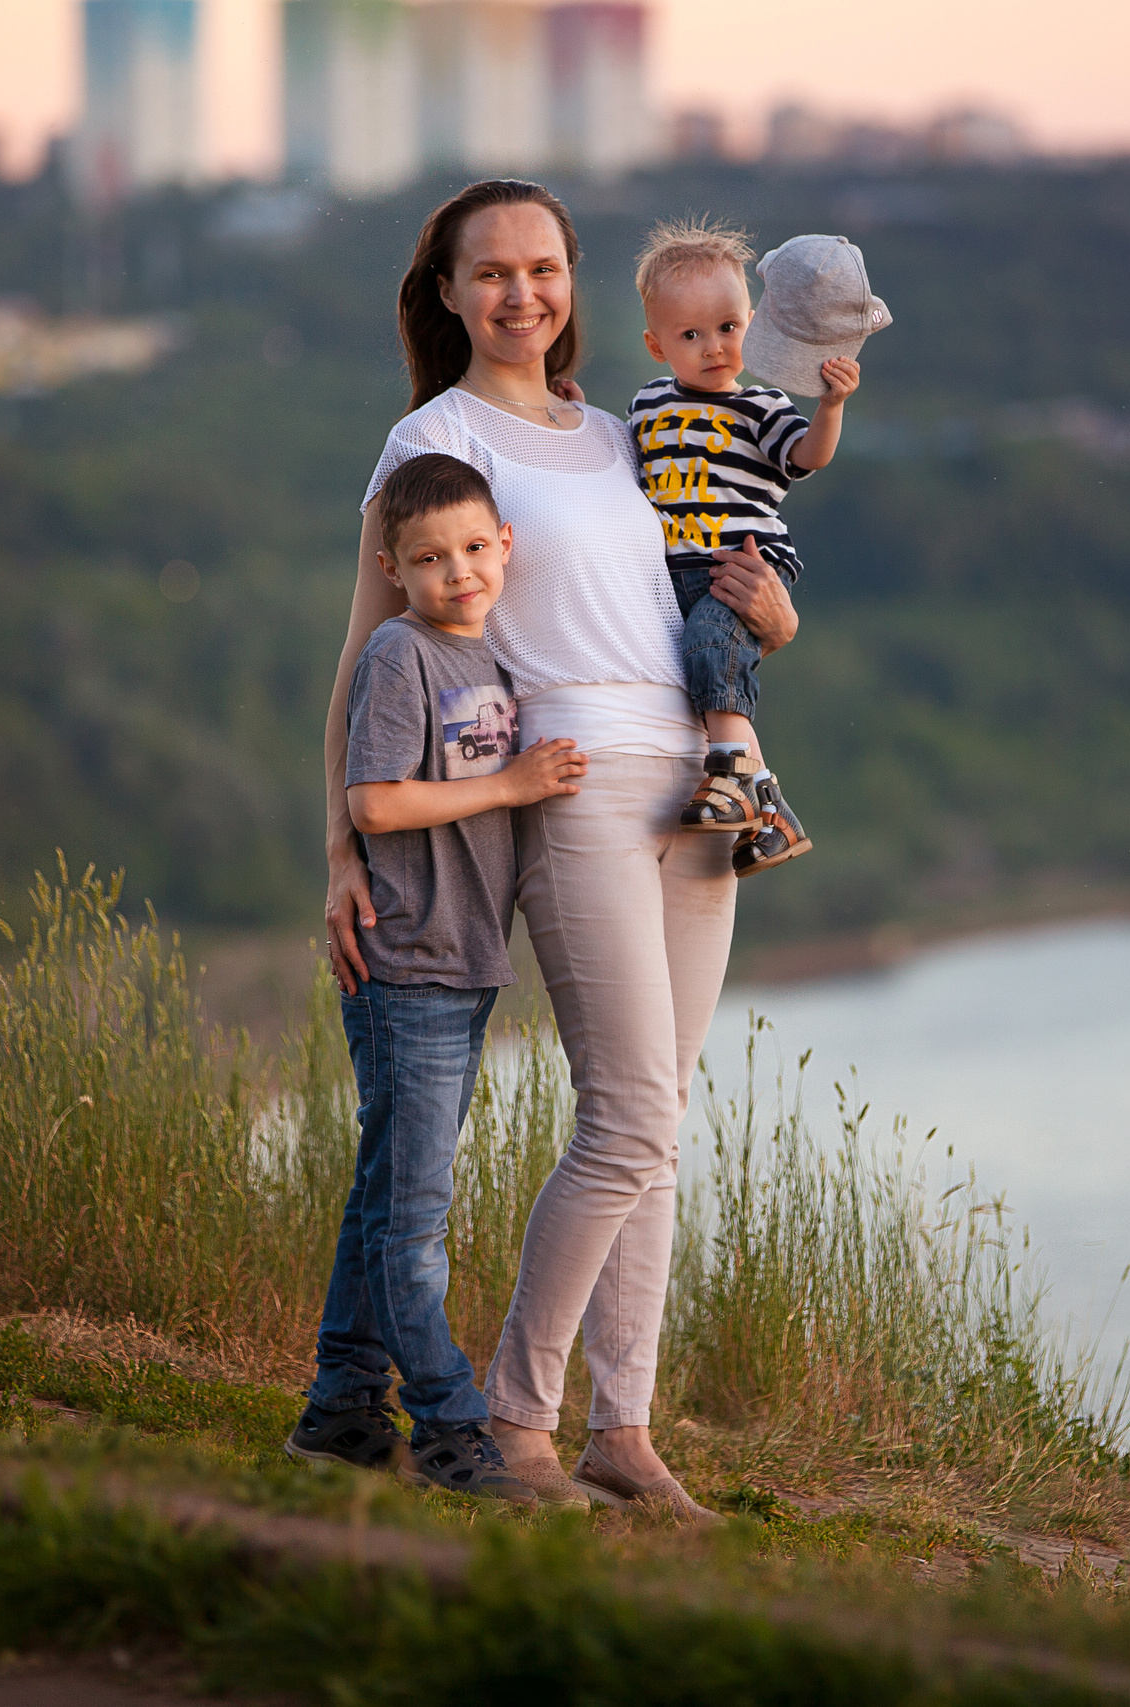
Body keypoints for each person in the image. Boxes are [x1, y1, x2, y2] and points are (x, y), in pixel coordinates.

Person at [321, 179, 799, 1522]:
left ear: (575, 280)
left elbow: (700, 589)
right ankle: (520, 1420)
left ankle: (624, 1429)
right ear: (450, 293)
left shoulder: (623, 429)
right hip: (573, 777)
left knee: (667, 1116)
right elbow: (369, 654)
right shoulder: (440, 433)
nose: (521, 293)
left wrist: (778, 628)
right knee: (631, 1109)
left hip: (700, 773)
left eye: (545, 267)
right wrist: (340, 852)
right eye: (492, 273)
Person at [288, 451, 585, 1506]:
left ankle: (339, 1409)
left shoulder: (496, 659)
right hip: (406, 962)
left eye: (471, 548)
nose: (456, 571)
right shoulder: (400, 654)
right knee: (415, 1216)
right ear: (393, 567)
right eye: (428, 557)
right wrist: (510, 782)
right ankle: (454, 1426)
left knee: (384, 1199)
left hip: (465, 966)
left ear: (503, 546)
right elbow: (374, 804)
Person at [625, 222, 884, 875]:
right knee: (707, 670)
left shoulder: (760, 407)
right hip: (673, 573)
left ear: (753, 322)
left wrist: (830, 405)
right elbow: (613, 458)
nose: (714, 347)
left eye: (728, 327)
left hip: (740, 566)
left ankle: (730, 777)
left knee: (713, 648)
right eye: (691, 335)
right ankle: (773, 812)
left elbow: (808, 457)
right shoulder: (647, 405)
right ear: (657, 345)